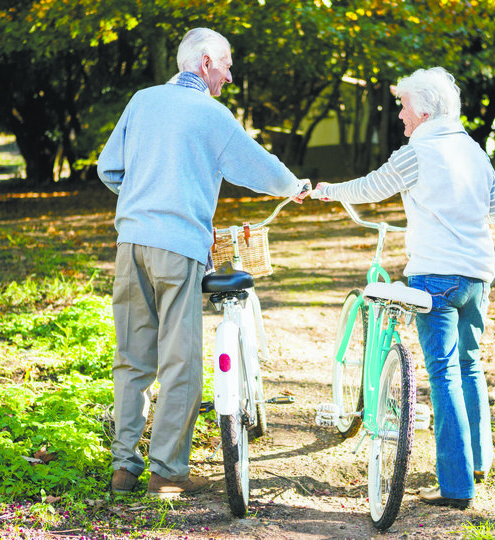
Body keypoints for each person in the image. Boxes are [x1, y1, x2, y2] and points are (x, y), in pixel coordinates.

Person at [97, 27, 309, 498]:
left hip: (130, 244)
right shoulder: (211, 115)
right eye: (227, 65)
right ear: (206, 62)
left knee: (131, 359)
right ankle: (167, 471)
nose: (230, 76)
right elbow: (257, 165)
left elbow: (109, 169)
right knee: (181, 362)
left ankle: (124, 467)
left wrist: (142, 199)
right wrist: (293, 185)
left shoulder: (141, 101)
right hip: (179, 249)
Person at [314, 67, 495, 509]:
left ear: (423, 110)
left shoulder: (417, 152)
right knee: (470, 365)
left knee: (442, 373)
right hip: (478, 275)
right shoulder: (473, 150)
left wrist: (329, 190)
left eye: (403, 106)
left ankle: (457, 487)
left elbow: (371, 187)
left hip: (436, 276)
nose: (400, 114)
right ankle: (477, 461)